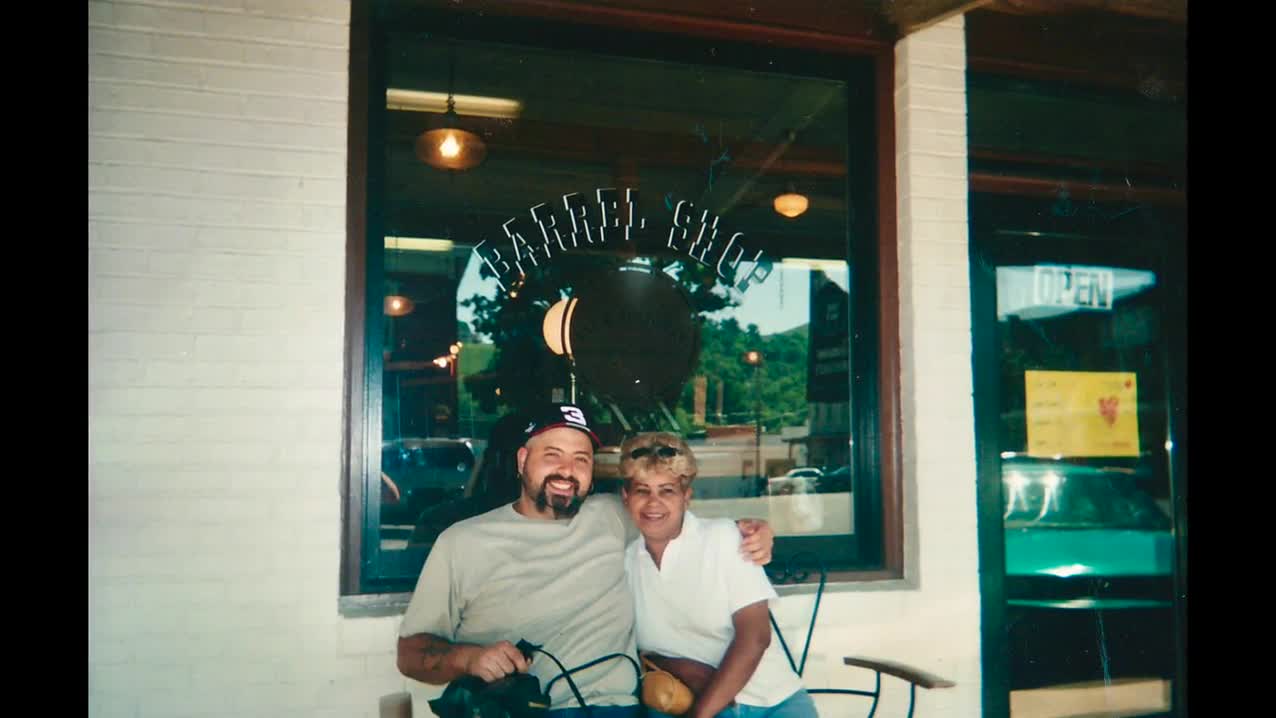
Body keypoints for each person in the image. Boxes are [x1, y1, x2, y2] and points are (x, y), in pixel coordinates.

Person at [396, 403, 775, 717]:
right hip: (520, 709)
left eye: (581, 459)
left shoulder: (612, 515)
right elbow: (410, 655)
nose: (567, 470)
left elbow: (673, 513)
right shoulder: (463, 542)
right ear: (523, 460)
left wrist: (750, 531)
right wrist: (469, 659)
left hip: (618, 708)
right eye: (553, 455)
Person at [620, 432, 819, 718]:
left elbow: (755, 637)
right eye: (642, 490)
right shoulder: (624, 561)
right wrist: (676, 666)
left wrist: (700, 716)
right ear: (626, 497)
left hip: (769, 703)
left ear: (686, 497)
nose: (654, 503)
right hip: (680, 699)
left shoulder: (722, 538)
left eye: (667, 490)